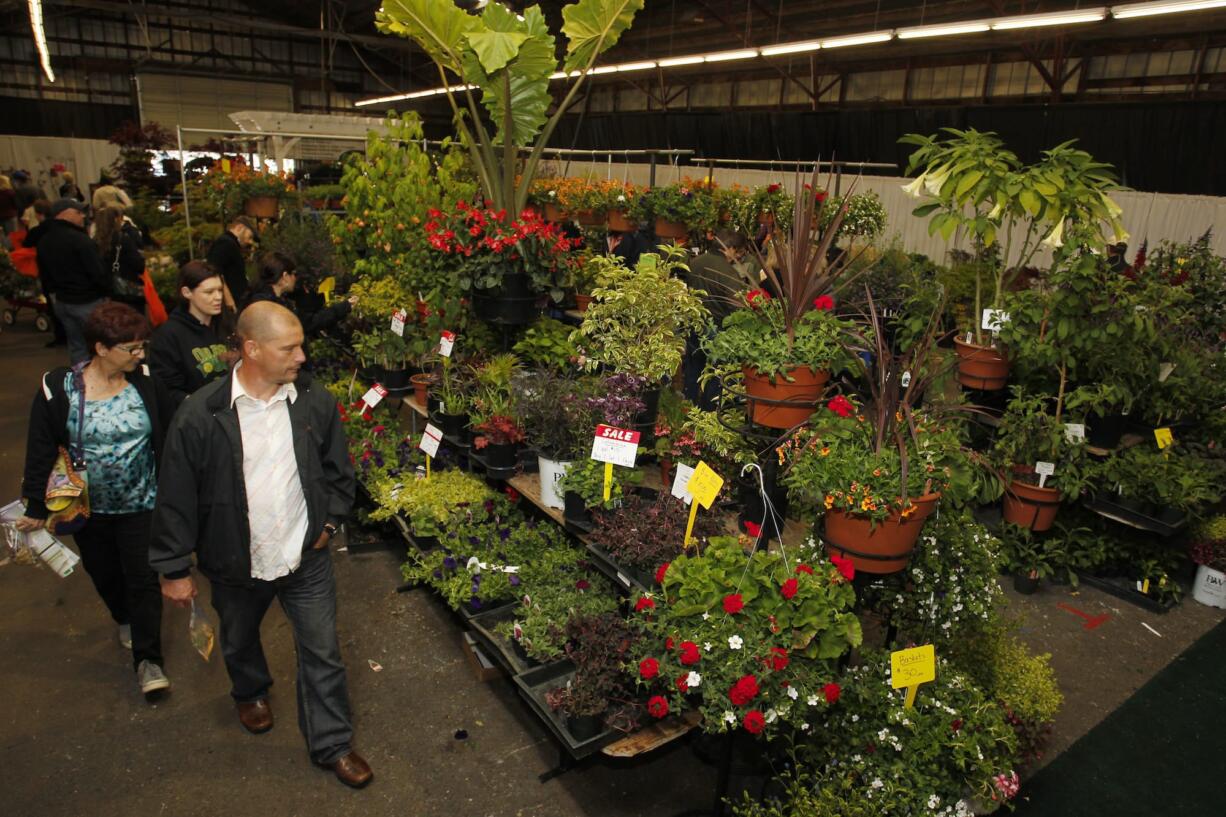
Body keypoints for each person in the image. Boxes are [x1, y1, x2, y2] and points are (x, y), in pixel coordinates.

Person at [151, 302, 371, 788]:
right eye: (289, 347)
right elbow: (176, 495)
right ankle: (249, 690)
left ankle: (332, 743)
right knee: (239, 636)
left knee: (323, 653)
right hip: (235, 560)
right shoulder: (201, 414)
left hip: (305, 556)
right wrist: (173, 566)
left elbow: (339, 473)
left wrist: (330, 525)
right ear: (251, 349)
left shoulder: (314, 400)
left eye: (301, 345)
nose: (301, 356)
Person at [17, 302, 175, 698]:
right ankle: (122, 615)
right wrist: (35, 504)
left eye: (142, 347)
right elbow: (40, 447)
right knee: (104, 573)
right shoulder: (61, 388)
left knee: (143, 578)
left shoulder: (146, 382)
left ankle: (148, 660)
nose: (140, 356)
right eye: (132, 349)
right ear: (102, 349)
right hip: (88, 507)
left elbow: (171, 433)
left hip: (142, 503)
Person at [34, 199, 111, 363]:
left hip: (63, 302)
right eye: (78, 212)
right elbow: (97, 273)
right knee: (103, 346)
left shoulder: (44, 241)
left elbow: (44, 275)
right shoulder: (80, 240)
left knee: (77, 346)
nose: (83, 216)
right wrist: (107, 294)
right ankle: (102, 384)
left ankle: (80, 383)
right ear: (64, 214)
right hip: (87, 302)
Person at [148, 261, 230, 408]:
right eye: (209, 292)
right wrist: (198, 408)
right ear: (187, 293)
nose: (218, 297)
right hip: (196, 417)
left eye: (220, 290)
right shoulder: (168, 335)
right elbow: (166, 389)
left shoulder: (226, 325)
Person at [246, 251, 352, 337]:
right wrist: (345, 306)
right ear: (285, 276)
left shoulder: (262, 299)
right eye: (294, 274)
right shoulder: (274, 307)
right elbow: (309, 322)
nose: (295, 278)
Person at [93, 204, 145, 312]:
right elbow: (139, 265)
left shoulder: (93, 241)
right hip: (127, 291)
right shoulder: (122, 239)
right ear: (116, 219)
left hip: (107, 292)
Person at [206, 216, 258, 308]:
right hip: (231, 303)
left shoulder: (230, 243)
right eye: (249, 237)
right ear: (240, 228)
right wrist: (228, 299)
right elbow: (215, 271)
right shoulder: (226, 243)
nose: (250, 242)